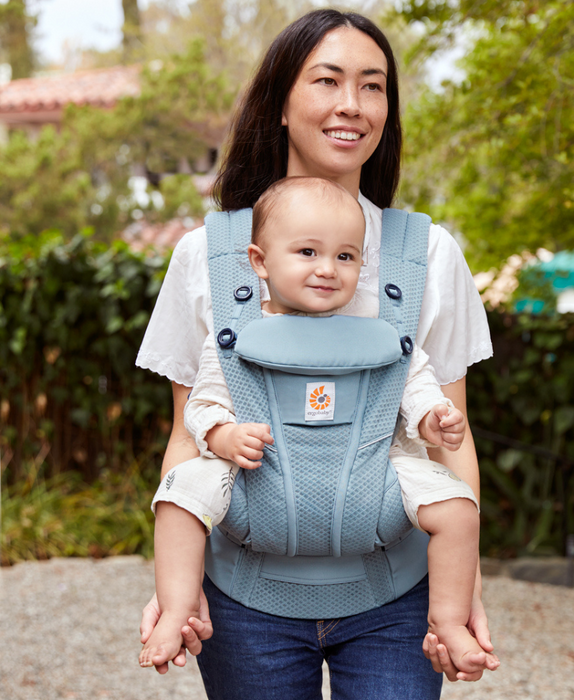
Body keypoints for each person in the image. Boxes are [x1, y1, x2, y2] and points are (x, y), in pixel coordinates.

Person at [137, 9, 496, 698]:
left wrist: (465, 588)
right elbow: (187, 435)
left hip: (397, 596)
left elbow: (453, 435)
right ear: (278, 102)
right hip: (245, 599)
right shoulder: (206, 256)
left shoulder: (427, 253)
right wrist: (176, 587)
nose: (351, 106)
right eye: (327, 80)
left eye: (373, 86)